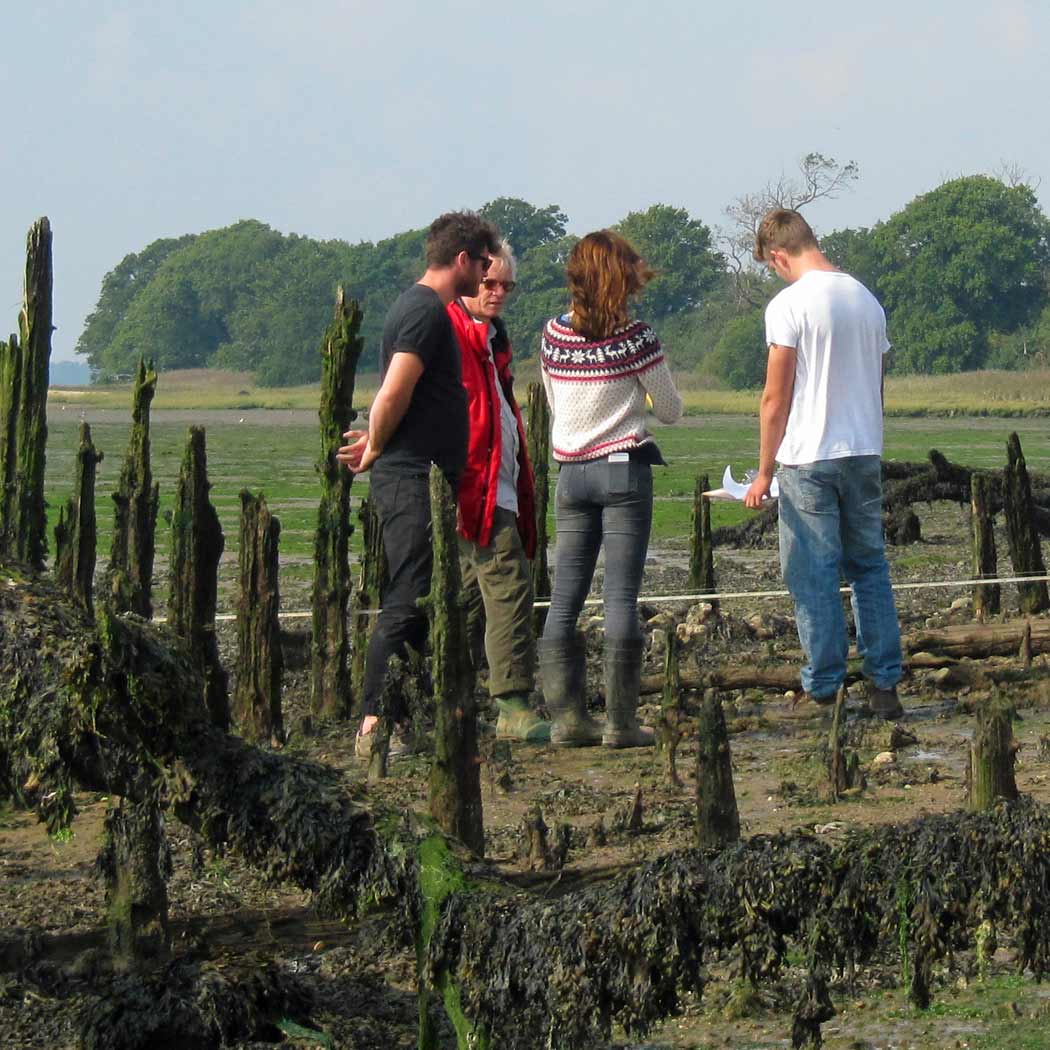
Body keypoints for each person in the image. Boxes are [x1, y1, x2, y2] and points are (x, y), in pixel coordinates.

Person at [338, 211, 501, 757]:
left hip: (424, 475)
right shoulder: (425, 311)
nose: (486, 274)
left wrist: (378, 436)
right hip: (408, 477)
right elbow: (394, 388)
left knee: (420, 595)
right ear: (461, 259)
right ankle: (374, 723)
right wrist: (377, 444)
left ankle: (399, 719)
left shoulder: (432, 310)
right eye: (482, 262)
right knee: (406, 598)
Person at [743, 208, 903, 719]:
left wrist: (764, 472)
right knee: (869, 569)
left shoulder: (788, 304)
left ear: (778, 255)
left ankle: (825, 688)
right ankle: (884, 685)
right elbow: (876, 386)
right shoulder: (867, 299)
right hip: (863, 450)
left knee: (813, 574)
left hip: (808, 456)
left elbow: (775, 396)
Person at [538, 230, 683, 748]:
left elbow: (556, 405)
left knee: (563, 601)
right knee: (620, 598)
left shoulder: (553, 334)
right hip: (623, 470)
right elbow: (670, 409)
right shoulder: (636, 337)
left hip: (571, 475)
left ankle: (568, 721)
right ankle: (621, 725)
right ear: (622, 276)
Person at [448, 245, 550, 743]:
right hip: (474, 488)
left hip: (500, 484)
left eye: (507, 286)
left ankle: (453, 695)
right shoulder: (448, 332)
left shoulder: (493, 338)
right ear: (468, 276)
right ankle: (512, 706)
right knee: (508, 586)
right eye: (491, 284)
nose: (499, 293)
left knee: (471, 596)